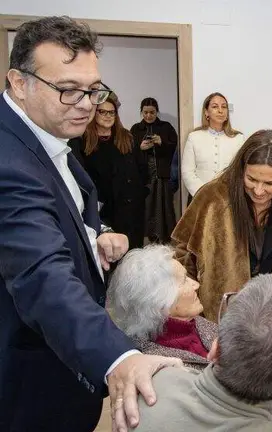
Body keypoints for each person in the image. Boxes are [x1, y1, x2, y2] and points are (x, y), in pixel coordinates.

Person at [0, 16, 180, 432]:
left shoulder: (46, 133)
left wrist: (92, 236)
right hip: (29, 374)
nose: (86, 103)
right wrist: (118, 356)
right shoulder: (8, 163)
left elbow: (60, 210)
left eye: (93, 89)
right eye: (68, 90)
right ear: (19, 82)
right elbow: (41, 276)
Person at [109, 245, 272, 432]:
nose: (195, 283)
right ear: (159, 303)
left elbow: (253, 366)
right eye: (184, 280)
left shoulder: (196, 324)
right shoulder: (148, 370)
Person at [172, 129, 272, 320]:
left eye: (269, 183)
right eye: (251, 179)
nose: (258, 191)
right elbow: (184, 253)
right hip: (218, 315)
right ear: (241, 169)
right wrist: (191, 308)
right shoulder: (213, 197)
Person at [69, 92, 148, 249]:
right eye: (102, 111)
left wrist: (142, 191)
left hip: (130, 210)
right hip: (102, 211)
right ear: (94, 112)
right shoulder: (82, 140)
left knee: (131, 256)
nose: (107, 116)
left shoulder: (127, 137)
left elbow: (142, 169)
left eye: (111, 112)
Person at [130, 97, 178, 243]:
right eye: (145, 112)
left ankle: (164, 241)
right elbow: (129, 152)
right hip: (143, 177)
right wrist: (140, 148)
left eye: (152, 112)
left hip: (162, 176)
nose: (149, 116)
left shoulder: (166, 127)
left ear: (157, 112)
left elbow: (174, 149)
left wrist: (161, 142)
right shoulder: (135, 129)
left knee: (163, 210)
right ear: (141, 112)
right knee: (145, 208)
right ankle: (145, 240)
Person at [181, 92, 245, 198]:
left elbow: (241, 170)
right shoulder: (194, 137)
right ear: (206, 112)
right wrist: (204, 193)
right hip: (200, 198)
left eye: (224, 107)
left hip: (228, 197)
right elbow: (187, 172)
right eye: (215, 106)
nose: (220, 110)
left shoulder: (238, 138)